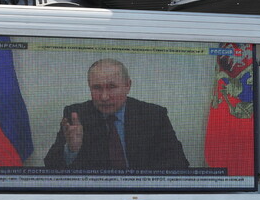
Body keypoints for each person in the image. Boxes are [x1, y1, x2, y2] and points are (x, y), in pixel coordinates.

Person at [44, 58, 189, 170]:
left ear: (128, 86)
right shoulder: (77, 115)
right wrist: (71, 150)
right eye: (97, 88)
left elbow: (179, 163)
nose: (104, 97)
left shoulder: (153, 115)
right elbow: (50, 166)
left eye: (112, 87)